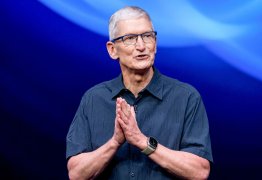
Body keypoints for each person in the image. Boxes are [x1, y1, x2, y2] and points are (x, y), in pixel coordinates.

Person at [66, 6, 213, 180]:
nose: (141, 46)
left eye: (147, 36)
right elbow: (76, 174)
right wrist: (114, 143)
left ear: (155, 44)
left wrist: (141, 141)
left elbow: (200, 171)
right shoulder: (94, 99)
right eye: (130, 38)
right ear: (112, 50)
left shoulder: (186, 97)